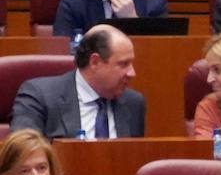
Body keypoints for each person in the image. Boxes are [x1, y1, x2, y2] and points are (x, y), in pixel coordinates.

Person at [11, 24, 143, 139]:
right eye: (123, 64)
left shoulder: (133, 103)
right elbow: (24, 155)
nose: (132, 73)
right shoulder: (39, 96)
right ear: (95, 62)